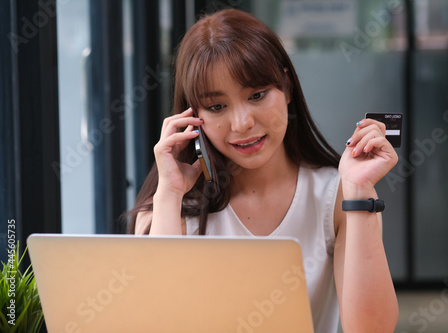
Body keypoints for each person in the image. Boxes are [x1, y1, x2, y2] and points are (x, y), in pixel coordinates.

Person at [127, 8, 399, 332]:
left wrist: (358, 193)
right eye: (217, 107)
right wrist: (169, 194)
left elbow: (372, 329)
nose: (242, 123)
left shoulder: (338, 197)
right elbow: (156, 324)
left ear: (286, 86)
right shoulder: (171, 207)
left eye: (256, 95)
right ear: (191, 116)